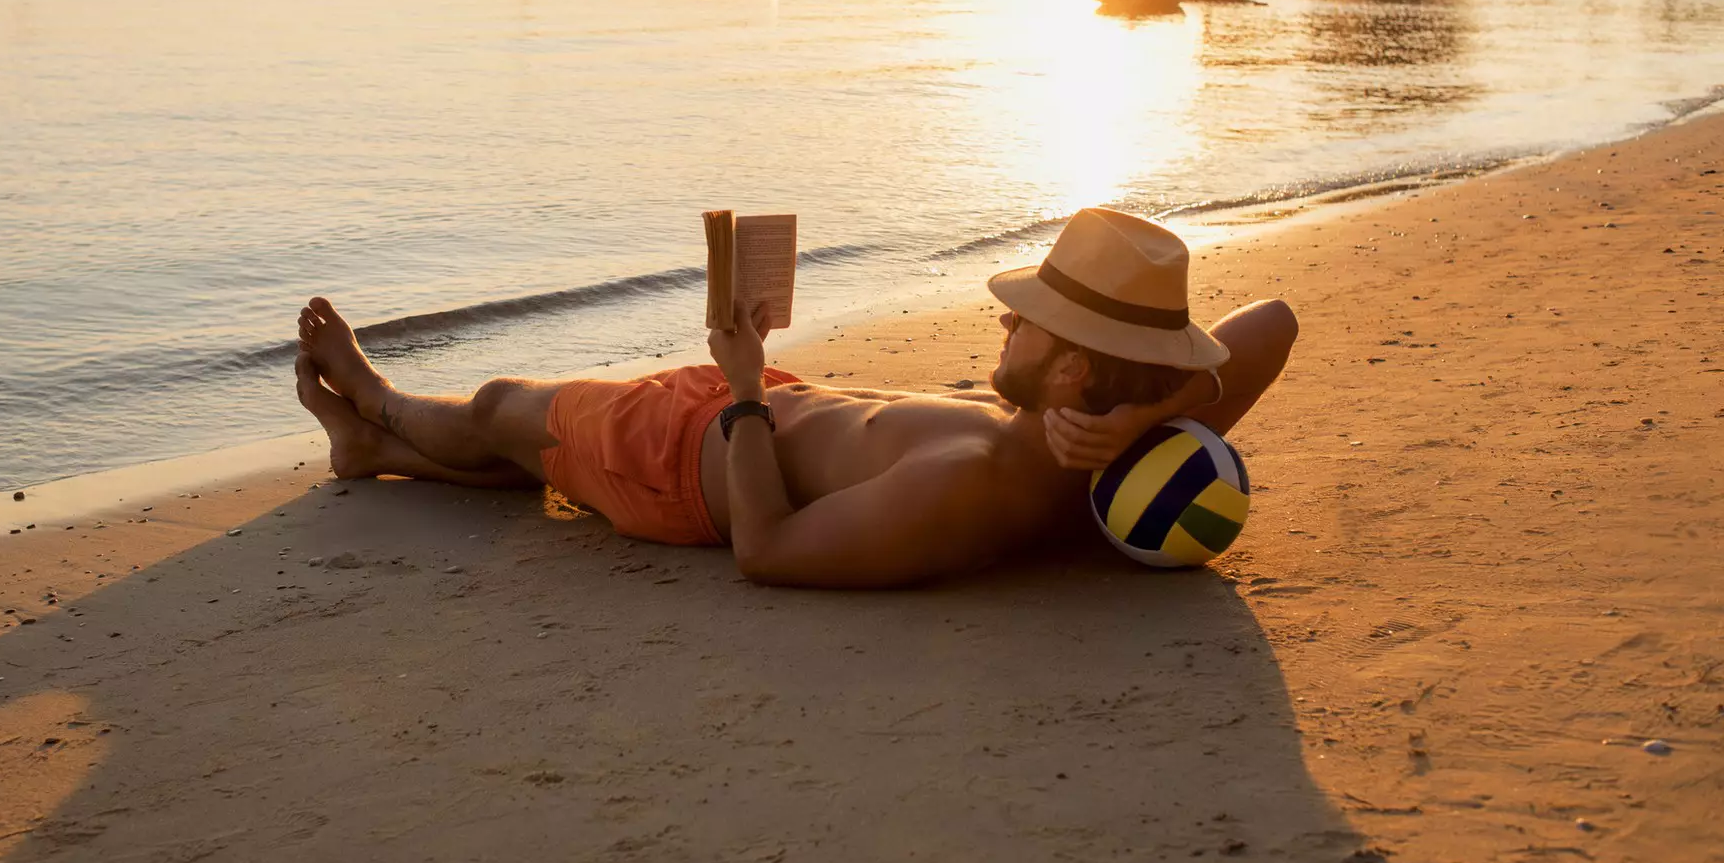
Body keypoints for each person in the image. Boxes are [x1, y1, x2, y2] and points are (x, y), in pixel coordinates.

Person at [295, 209, 1296, 588]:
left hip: (685, 453)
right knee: (520, 460)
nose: (1003, 325)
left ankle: (378, 399)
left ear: (1075, 365)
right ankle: (370, 455)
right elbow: (1278, 320)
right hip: (763, 406)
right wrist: (1149, 410)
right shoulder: (1104, 442)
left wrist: (738, 392)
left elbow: (765, 552)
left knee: (503, 409)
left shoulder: (969, 478)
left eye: (1026, 322)